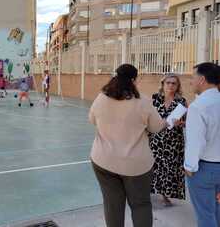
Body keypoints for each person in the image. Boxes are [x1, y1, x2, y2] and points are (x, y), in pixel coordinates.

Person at [89, 64, 167, 227]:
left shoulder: (101, 97)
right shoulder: (143, 101)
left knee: (112, 204)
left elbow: (92, 119)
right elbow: (156, 127)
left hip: (104, 161)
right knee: (141, 205)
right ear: (134, 79)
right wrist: (167, 122)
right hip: (136, 165)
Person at [184, 62, 220, 227]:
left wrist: (189, 167)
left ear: (202, 80)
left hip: (205, 169)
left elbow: (195, 141)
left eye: (193, 77)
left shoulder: (198, 107)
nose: (191, 81)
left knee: (206, 215)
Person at [149, 74, 187, 206]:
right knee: (153, 166)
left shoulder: (181, 101)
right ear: (163, 84)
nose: (170, 85)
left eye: (174, 83)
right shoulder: (154, 99)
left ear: (177, 86)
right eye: (168, 83)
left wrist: (181, 124)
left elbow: (187, 122)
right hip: (156, 139)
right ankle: (149, 191)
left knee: (169, 168)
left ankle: (165, 194)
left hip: (173, 142)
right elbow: (147, 118)